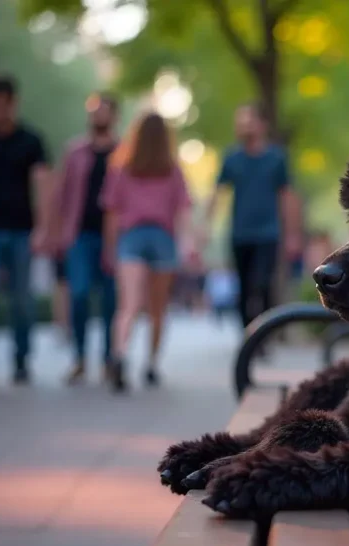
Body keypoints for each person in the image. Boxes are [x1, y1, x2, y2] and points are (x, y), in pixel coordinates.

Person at [102, 112, 196, 392]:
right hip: (162, 239)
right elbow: (182, 212)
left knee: (128, 306)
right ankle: (151, 365)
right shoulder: (172, 169)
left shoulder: (122, 168)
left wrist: (110, 248)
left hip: (131, 237)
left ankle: (119, 354)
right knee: (157, 309)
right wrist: (188, 245)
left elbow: (112, 213)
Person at [204, 103, 302, 330]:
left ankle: (264, 333)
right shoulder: (232, 158)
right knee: (244, 286)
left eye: (248, 121)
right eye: (240, 122)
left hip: (268, 232)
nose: (243, 127)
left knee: (262, 283)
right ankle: (247, 334)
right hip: (240, 233)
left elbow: (287, 197)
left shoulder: (276, 158)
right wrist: (205, 227)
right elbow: (218, 192)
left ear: (261, 124)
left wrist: (293, 234)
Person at [0, 75, 52, 393]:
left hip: (21, 231)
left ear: (13, 103)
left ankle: (21, 359)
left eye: (0, 104)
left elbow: (41, 185)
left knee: (21, 300)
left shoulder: (31, 141)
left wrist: (42, 228)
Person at [53, 92, 119, 384]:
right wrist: (55, 232)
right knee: (78, 294)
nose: (97, 116)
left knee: (110, 300)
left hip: (113, 237)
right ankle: (79, 357)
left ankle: (108, 359)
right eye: (92, 111)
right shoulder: (75, 151)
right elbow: (61, 194)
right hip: (79, 234)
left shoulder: (124, 153)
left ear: (113, 115)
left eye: (102, 111)